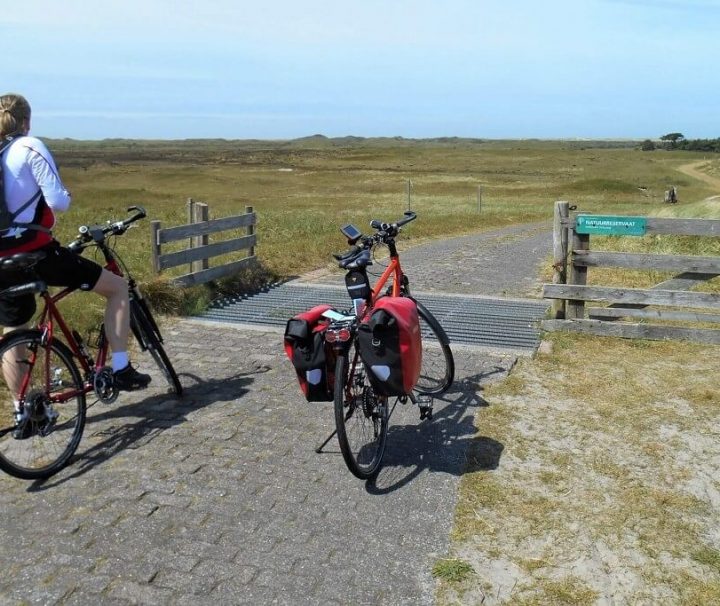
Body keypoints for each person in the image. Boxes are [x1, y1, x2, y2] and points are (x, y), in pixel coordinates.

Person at [0, 93, 150, 436]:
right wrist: (63, 196)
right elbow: (57, 202)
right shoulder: (29, 146)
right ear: (26, 121)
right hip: (36, 253)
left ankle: (24, 412)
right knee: (117, 287)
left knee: (15, 333)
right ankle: (122, 368)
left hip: (1, 261)